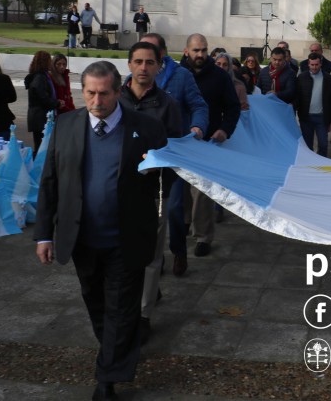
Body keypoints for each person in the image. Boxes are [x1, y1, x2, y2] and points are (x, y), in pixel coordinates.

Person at [34, 61, 167, 401]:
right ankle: (116, 348)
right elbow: (50, 181)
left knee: (122, 308)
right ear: (83, 91)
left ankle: (107, 377)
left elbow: (172, 173)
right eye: (90, 93)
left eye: (103, 94)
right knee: (96, 303)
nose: (96, 101)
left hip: (126, 237)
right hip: (81, 239)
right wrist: (44, 234)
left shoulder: (146, 127)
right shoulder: (65, 125)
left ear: (118, 91)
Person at [120, 42, 183, 346]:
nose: (143, 68)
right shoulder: (113, 100)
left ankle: (144, 314)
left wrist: (157, 158)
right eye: (138, 62)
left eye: (150, 62)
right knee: (119, 251)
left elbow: (177, 148)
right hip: (116, 189)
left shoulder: (167, 105)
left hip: (155, 190)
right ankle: (123, 308)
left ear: (160, 66)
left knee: (151, 254)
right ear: (129, 64)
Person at [141, 32, 209, 276]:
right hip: (145, 157)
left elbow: (199, 105)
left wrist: (197, 126)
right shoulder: (134, 80)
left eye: (149, 53)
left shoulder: (181, 77)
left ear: (161, 54)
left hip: (175, 154)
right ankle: (153, 260)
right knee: (147, 213)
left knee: (173, 209)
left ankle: (178, 251)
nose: (143, 61)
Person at [181, 33, 241, 257]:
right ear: (187, 51)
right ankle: (185, 223)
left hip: (208, 143)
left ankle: (203, 236)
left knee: (202, 192)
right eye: (196, 50)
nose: (201, 54)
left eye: (204, 50)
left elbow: (233, 107)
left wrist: (225, 129)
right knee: (182, 191)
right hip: (181, 142)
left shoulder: (219, 76)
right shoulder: (178, 75)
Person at [296, 52, 331, 156]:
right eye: (312, 64)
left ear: (321, 64)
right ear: (308, 64)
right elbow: (297, 97)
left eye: (316, 64)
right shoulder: (301, 78)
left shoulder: (329, 79)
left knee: (323, 145)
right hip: (306, 118)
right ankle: (309, 167)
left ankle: (321, 166)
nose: (314, 67)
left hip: (322, 118)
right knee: (307, 145)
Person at [24, 51, 63, 155]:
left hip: (40, 116)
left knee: (42, 146)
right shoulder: (40, 78)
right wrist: (56, 103)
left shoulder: (42, 76)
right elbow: (42, 98)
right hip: (40, 118)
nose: (51, 62)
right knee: (42, 147)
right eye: (49, 60)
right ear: (44, 62)